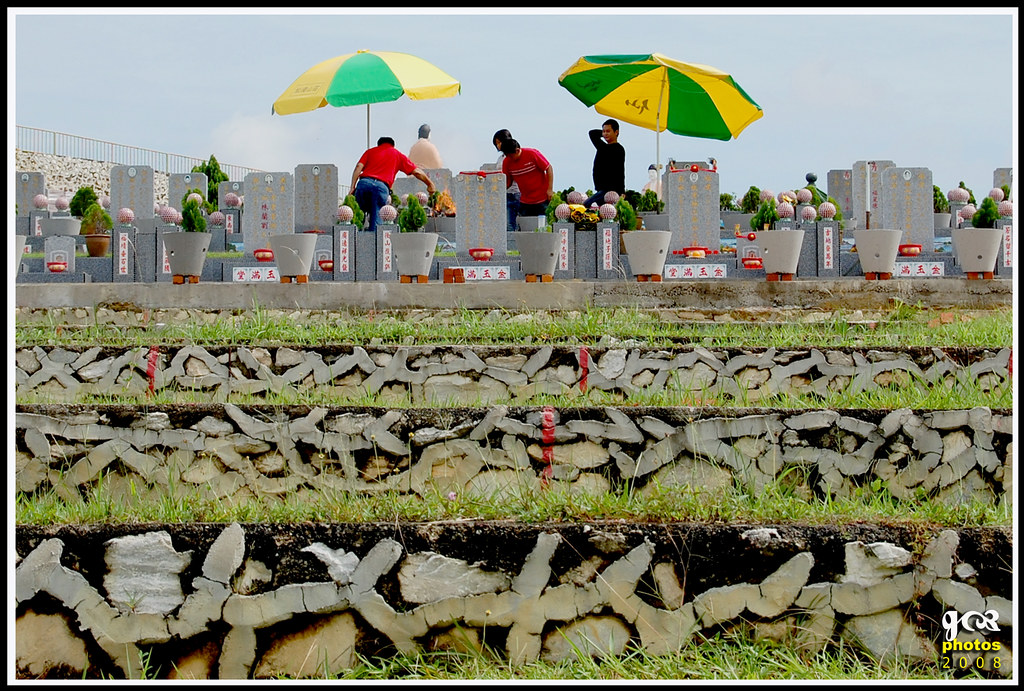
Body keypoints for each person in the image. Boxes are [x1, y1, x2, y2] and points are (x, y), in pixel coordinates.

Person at [350, 136, 435, 233]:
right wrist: (430, 183)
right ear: (392, 145)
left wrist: (352, 186)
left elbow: (358, 167)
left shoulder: (370, 152)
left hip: (364, 184)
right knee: (377, 215)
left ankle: (354, 241)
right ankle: (374, 244)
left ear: (379, 144)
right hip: (381, 187)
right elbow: (417, 172)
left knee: (358, 213)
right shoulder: (397, 154)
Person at [499, 138, 553, 221]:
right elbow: (507, 182)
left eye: (510, 155)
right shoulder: (507, 162)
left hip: (542, 199)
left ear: (517, 151)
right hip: (525, 201)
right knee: (526, 228)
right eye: (507, 155)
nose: (509, 158)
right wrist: (498, 192)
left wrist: (550, 189)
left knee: (543, 227)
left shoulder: (532, 154)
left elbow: (548, 168)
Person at [582, 119, 625, 209]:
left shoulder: (616, 149)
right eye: (604, 131)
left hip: (610, 190)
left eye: (608, 131)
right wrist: (604, 132)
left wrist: (622, 191)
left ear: (616, 132)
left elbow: (620, 170)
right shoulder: (603, 147)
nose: (605, 134)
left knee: (586, 205)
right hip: (600, 189)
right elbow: (592, 133)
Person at [493, 129, 520, 231]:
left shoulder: (512, 157)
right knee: (507, 221)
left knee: (510, 222)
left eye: (500, 142)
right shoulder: (501, 158)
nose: (498, 145)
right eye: (497, 143)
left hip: (513, 192)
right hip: (504, 192)